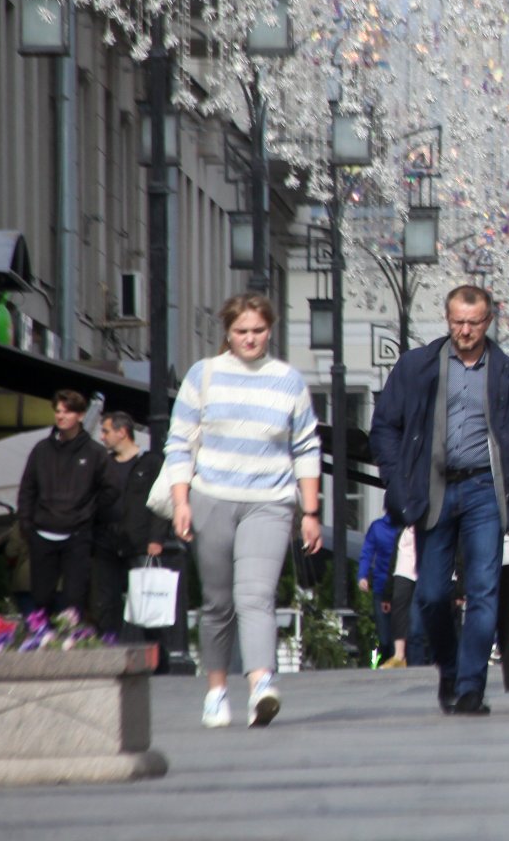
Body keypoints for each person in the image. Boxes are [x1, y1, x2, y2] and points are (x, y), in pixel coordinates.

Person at [368, 284, 509, 716]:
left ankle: (470, 687)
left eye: (473, 322)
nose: (465, 330)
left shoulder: (506, 372)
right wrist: (397, 480)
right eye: (457, 322)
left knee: (484, 591)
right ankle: (449, 668)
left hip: (486, 491)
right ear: (448, 320)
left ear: (488, 322)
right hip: (433, 490)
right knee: (429, 594)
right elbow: (384, 427)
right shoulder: (418, 366)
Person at [166, 292, 322, 728]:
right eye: (241, 332)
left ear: (269, 330)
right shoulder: (204, 375)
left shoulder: (287, 380)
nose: (250, 339)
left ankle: (261, 686)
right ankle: (216, 691)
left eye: (258, 331)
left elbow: (307, 446)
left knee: (256, 597)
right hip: (211, 497)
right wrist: (181, 502)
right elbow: (179, 443)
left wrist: (310, 512)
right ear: (227, 333)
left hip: (269, 503)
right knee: (217, 603)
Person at [17, 389, 107, 618]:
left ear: (80, 415)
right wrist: (27, 525)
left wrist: (90, 523)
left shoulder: (95, 452)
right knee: (41, 597)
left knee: (74, 597)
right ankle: (42, 641)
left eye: (67, 412)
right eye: (58, 411)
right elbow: (27, 488)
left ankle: (70, 641)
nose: (61, 416)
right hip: (43, 531)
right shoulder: (41, 450)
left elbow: (108, 491)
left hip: (77, 533)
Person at [90, 411, 168, 639]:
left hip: (140, 542)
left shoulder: (150, 462)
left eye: (106, 431)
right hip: (106, 542)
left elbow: (160, 503)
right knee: (105, 602)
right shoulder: (103, 465)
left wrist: (156, 538)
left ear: (122, 432)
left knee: (147, 601)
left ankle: (157, 658)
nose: (102, 437)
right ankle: (108, 652)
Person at [357, 507, 400, 665]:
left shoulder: (406, 527)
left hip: (401, 588)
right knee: (386, 638)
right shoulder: (377, 528)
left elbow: (367, 553)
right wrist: (362, 575)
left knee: (394, 638)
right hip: (382, 589)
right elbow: (367, 552)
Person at [382, 526, 418, 667]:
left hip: (427, 562)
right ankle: (399, 654)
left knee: (424, 612)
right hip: (405, 564)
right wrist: (387, 594)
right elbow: (393, 564)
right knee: (399, 604)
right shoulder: (402, 533)